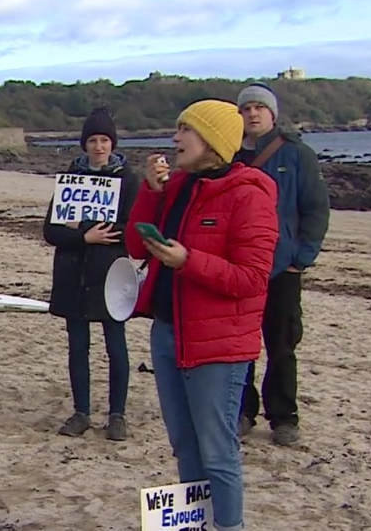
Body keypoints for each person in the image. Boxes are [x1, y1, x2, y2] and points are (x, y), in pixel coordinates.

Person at [125, 99, 279, 531]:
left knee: (217, 452)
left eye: (184, 130)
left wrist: (187, 261)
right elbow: (137, 248)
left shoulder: (249, 195)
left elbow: (252, 278)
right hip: (169, 331)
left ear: (211, 140)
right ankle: (195, 524)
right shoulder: (179, 187)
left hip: (219, 344)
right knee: (185, 447)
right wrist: (151, 193)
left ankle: (228, 526)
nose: (174, 138)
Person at [235, 82, 331, 445]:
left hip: (282, 267)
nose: (253, 114)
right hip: (240, 267)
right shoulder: (229, 155)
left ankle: (283, 416)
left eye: (260, 108)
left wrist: (300, 260)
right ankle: (243, 410)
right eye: (246, 109)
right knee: (240, 344)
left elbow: (315, 209)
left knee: (282, 344)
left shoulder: (296, 155)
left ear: (272, 114)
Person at [43, 106, 138, 440]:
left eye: (104, 140)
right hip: (73, 274)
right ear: (85, 144)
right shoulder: (71, 178)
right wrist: (85, 235)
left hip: (111, 275)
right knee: (78, 347)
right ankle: (81, 412)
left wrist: (97, 232)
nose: (99, 147)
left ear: (112, 144)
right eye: (93, 140)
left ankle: (117, 415)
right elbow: (51, 231)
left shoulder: (128, 180)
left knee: (116, 346)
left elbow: (132, 229)